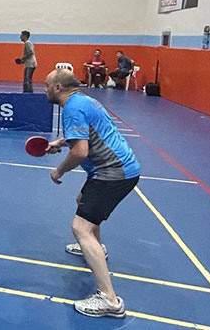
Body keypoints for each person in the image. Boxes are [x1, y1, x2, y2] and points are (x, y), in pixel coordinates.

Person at [44, 69, 140, 319]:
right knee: (82, 201)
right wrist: (62, 142)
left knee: (80, 228)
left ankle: (110, 300)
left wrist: (59, 170)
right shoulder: (84, 100)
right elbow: (92, 130)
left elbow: (80, 153)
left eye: (47, 85)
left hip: (112, 172)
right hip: (120, 167)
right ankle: (98, 248)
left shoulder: (71, 109)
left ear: (58, 87)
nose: (45, 89)